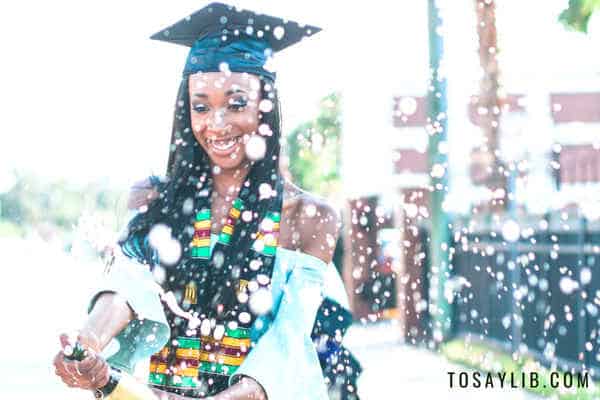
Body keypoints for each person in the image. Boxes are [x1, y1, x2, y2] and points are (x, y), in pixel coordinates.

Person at [53, 3, 361, 399]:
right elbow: (129, 285)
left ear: (265, 106)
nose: (216, 125)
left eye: (236, 104)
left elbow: (291, 333)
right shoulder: (154, 199)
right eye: (201, 106)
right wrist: (89, 341)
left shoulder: (307, 216)